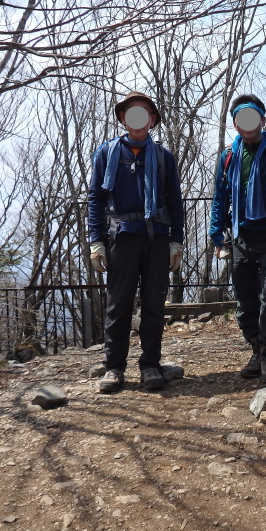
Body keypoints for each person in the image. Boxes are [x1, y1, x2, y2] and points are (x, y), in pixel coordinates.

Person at [88, 90, 184, 393]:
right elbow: (96, 199)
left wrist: (177, 242)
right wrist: (96, 241)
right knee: (119, 306)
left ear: (152, 120)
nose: (138, 119)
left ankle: (151, 365)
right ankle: (114, 368)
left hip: (156, 238)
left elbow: (175, 201)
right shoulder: (107, 153)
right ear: (122, 119)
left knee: (154, 305)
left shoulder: (163, 157)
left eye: (144, 113)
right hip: (121, 237)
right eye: (131, 113)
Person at [209, 94, 266, 383]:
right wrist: (217, 234)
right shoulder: (228, 156)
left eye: (253, 116)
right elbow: (220, 196)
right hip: (240, 237)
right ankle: (256, 347)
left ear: (263, 120)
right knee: (245, 299)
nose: (248, 123)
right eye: (241, 118)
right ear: (236, 124)